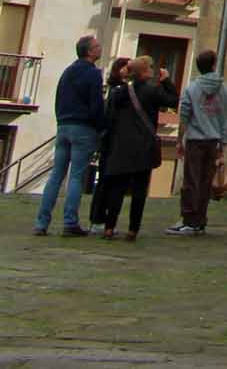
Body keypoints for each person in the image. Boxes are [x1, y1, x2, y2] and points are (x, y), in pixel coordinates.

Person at [95, 55, 178, 242]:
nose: (152, 70)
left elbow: (110, 118)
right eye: (150, 67)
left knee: (117, 189)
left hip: (121, 146)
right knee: (139, 191)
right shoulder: (152, 91)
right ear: (144, 71)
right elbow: (172, 100)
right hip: (142, 147)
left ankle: (109, 227)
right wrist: (166, 81)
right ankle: (133, 230)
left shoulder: (120, 93)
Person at [33, 33, 106, 237]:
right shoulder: (93, 74)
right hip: (83, 128)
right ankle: (70, 222)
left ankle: (41, 222)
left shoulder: (68, 71)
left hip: (64, 125)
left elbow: (59, 98)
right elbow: (96, 105)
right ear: (90, 52)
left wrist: (61, 120)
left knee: (56, 175)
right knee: (76, 176)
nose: (100, 49)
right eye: (97, 46)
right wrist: (101, 127)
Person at [168, 48, 227, 236]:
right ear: (213, 64)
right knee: (205, 182)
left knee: (191, 181)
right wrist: (224, 144)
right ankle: (200, 220)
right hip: (214, 140)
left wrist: (180, 139)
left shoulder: (192, 88)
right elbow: (225, 117)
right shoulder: (224, 88)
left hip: (196, 139)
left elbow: (185, 114)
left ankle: (189, 219)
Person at [87, 58, 132, 233]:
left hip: (111, 142)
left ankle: (100, 219)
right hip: (111, 142)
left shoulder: (117, 89)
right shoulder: (119, 90)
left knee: (107, 182)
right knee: (106, 182)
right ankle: (98, 219)